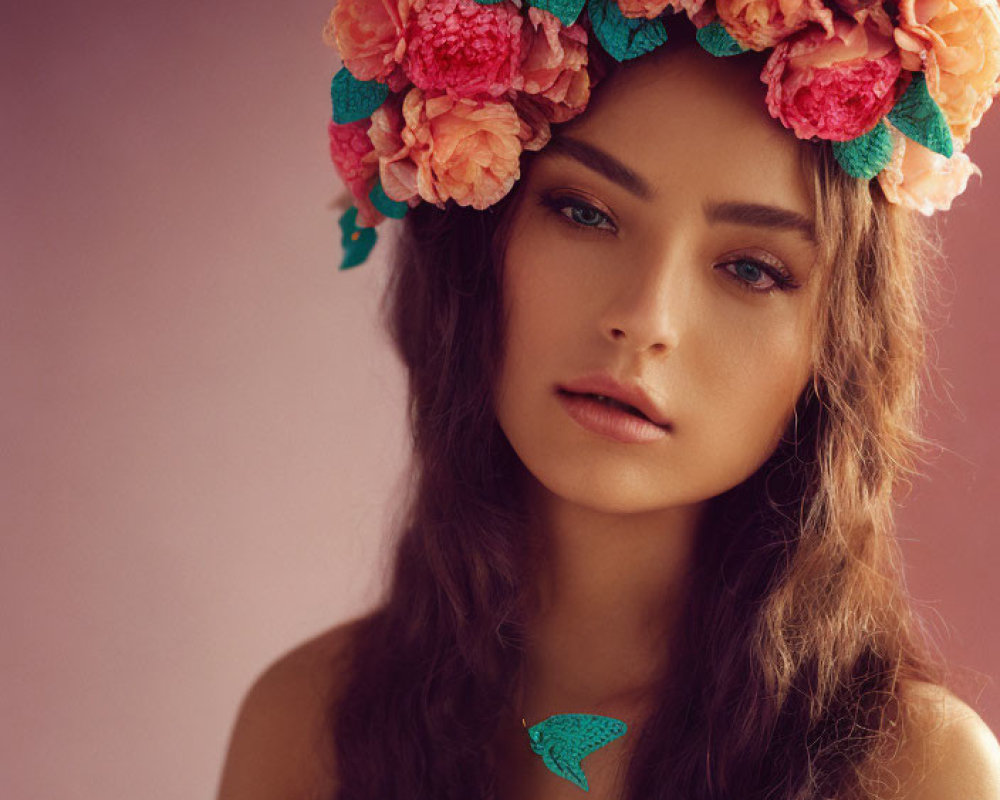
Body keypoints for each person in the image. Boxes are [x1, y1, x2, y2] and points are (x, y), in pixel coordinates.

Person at [217, 4, 1000, 799]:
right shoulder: (307, 727)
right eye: (586, 213)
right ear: (479, 241)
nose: (646, 319)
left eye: (753, 269)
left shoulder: (917, 772)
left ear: (839, 349)